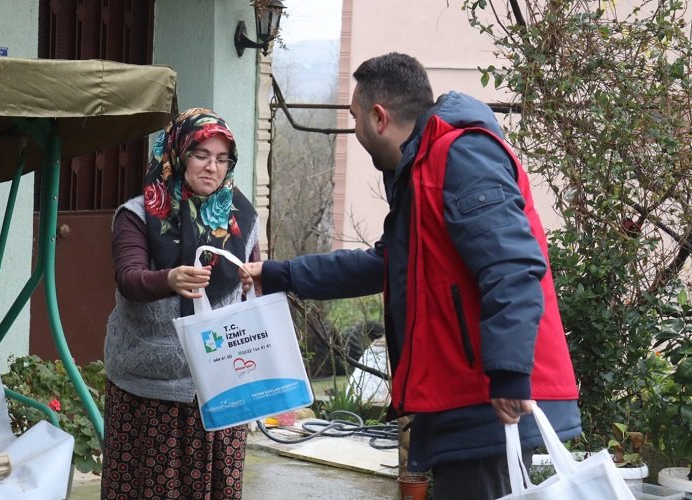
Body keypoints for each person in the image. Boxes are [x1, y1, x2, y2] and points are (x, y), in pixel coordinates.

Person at [240, 52, 581, 499]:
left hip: (486, 397)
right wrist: (279, 274)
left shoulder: (461, 155)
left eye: (355, 117)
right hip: (466, 393)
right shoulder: (420, 168)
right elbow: (386, 263)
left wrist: (510, 374)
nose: (355, 128)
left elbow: (513, 265)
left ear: (379, 117)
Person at [102, 108, 260, 499]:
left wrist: (256, 276)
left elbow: (258, 277)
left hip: (220, 382)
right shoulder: (137, 215)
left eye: (222, 159)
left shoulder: (241, 218)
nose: (212, 168)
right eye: (201, 155)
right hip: (149, 386)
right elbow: (129, 278)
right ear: (177, 153)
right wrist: (168, 279)